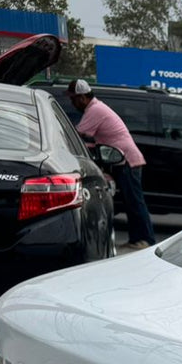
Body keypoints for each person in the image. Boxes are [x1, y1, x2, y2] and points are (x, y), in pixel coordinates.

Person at [67, 79, 156, 250]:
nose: (72, 103)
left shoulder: (95, 110)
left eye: (74, 99)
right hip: (124, 159)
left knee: (135, 202)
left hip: (127, 160)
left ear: (83, 97)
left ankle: (147, 239)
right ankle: (137, 239)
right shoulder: (96, 107)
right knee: (132, 202)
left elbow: (77, 135)